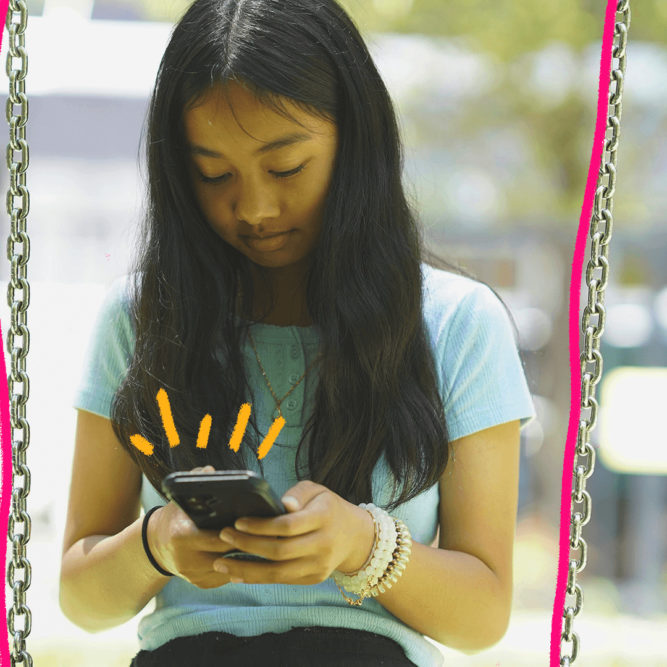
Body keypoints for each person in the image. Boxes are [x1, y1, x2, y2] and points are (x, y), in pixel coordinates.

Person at [58, 0, 535, 665]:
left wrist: (363, 545)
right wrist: (157, 542)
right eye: (213, 174)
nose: (253, 207)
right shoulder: (140, 321)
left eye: (285, 167)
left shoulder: (456, 323)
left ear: (355, 140)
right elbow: (81, 597)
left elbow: (481, 614)